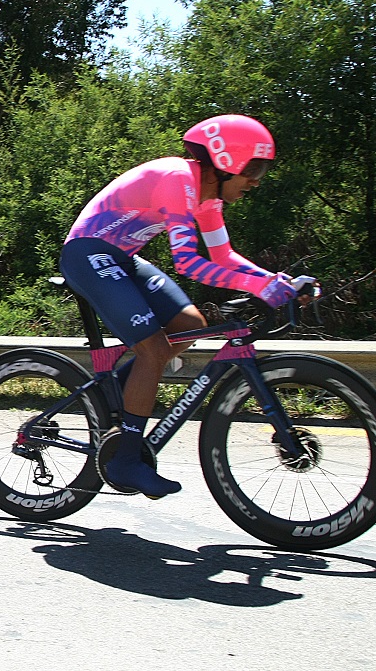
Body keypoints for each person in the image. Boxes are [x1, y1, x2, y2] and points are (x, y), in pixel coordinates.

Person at [60, 114, 309, 499]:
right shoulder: (178, 179)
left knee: (188, 324)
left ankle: (123, 397)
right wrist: (258, 287)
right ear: (227, 161)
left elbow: (224, 256)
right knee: (154, 350)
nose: (257, 181)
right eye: (254, 168)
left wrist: (276, 282)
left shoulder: (207, 197)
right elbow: (187, 263)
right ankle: (125, 461)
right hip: (87, 253)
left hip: (122, 257)